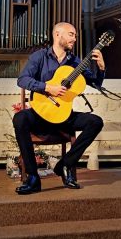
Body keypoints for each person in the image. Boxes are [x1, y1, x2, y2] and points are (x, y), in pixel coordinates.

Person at [12, 22, 105, 195]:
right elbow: (22, 80)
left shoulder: (76, 62)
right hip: (41, 115)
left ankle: (65, 164)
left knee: (95, 122)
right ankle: (33, 177)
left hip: (64, 117)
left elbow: (96, 84)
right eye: (71, 34)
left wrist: (101, 68)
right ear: (57, 35)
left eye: (75, 35)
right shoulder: (40, 57)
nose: (74, 38)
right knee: (20, 119)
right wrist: (47, 88)